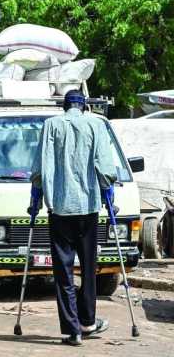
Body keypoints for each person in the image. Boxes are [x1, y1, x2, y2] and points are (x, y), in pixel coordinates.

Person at [30, 89, 116, 346]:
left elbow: (40, 168)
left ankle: (72, 330)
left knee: (63, 271)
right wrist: (109, 197)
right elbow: (105, 168)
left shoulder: (51, 125)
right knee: (89, 266)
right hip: (88, 208)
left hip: (59, 208)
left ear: (64, 106)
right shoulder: (96, 124)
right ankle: (88, 321)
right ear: (85, 106)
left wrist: (35, 199)